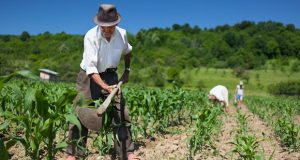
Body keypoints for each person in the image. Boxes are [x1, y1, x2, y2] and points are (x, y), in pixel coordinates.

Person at [66, 4, 139, 160]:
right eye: (103, 27)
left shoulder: (122, 34)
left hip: (111, 75)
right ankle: (73, 153)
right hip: (88, 76)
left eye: (110, 27)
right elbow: (91, 69)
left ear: (116, 23)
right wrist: (105, 87)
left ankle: (127, 152)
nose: (106, 30)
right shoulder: (90, 36)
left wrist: (127, 70)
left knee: (121, 111)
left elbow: (128, 52)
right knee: (79, 111)